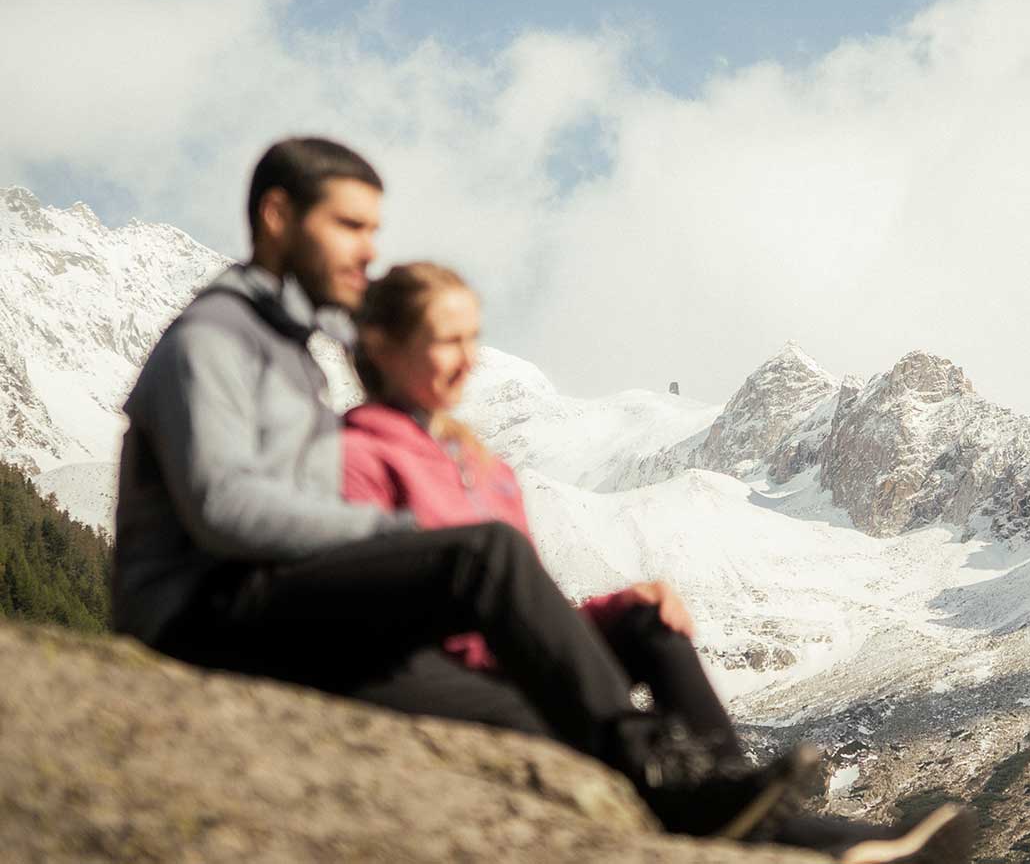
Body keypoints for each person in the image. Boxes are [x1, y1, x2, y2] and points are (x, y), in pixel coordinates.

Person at [113, 137, 815, 841]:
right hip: (202, 616)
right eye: (349, 226)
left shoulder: (290, 354)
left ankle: (769, 824)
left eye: (374, 231)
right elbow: (223, 508)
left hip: (272, 606)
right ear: (276, 216)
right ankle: (666, 774)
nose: (367, 251)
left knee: (547, 691)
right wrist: (396, 535)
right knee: (488, 553)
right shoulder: (214, 338)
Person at [344, 260, 979, 864]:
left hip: (517, 656)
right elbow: (384, 601)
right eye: (445, 340)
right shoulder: (359, 454)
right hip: (455, 670)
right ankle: (806, 831)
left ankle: (731, 797)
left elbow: (528, 605)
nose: (467, 359)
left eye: (471, 339)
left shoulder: (486, 470)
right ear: (384, 347)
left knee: (652, 625)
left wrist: (617, 609)